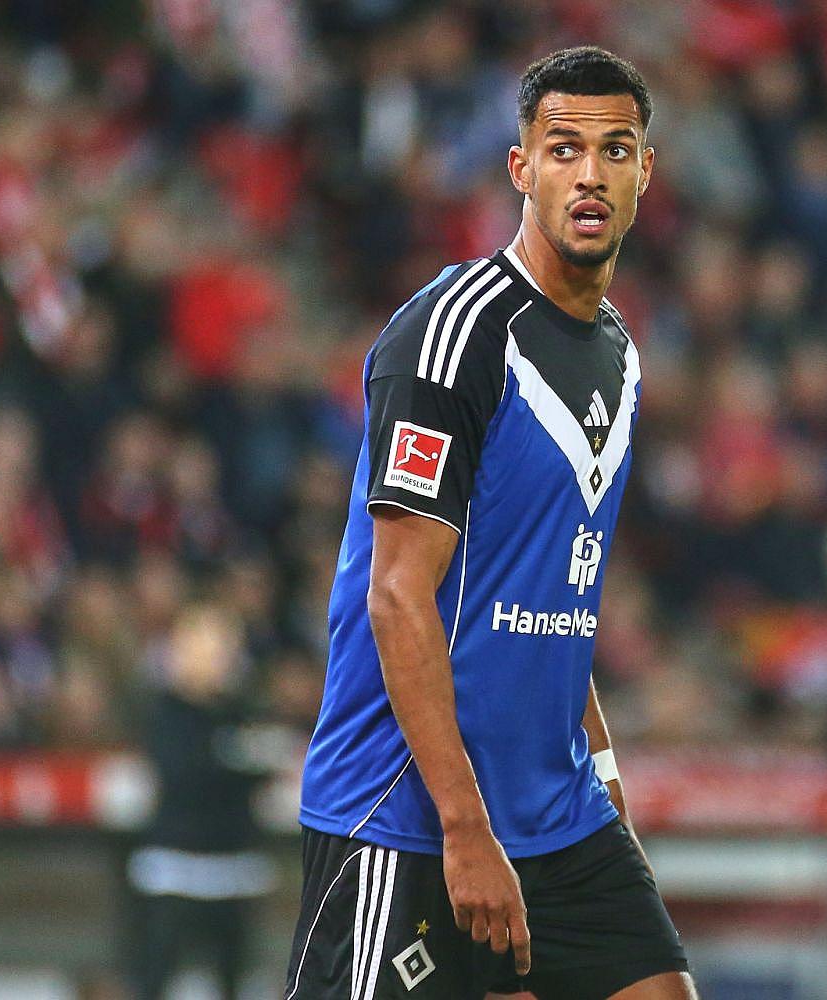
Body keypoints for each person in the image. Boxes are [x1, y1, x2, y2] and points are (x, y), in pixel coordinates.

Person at [286, 47, 696, 1000]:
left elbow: (556, 600)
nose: (589, 173)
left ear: (646, 172)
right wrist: (464, 828)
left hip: (559, 818)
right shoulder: (454, 335)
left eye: (614, 149)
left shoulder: (621, 358)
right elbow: (398, 596)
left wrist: (603, 776)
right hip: (409, 819)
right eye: (563, 149)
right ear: (521, 168)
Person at [128, 601, 277, 999]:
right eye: (207, 646)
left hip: (233, 864)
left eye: (225, 648)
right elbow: (183, 775)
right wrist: (232, 766)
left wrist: (232, 765)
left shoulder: (245, 711)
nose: (218, 658)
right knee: (155, 975)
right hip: (176, 864)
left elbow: (264, 767)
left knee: (235, 978)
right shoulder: (163, 711)